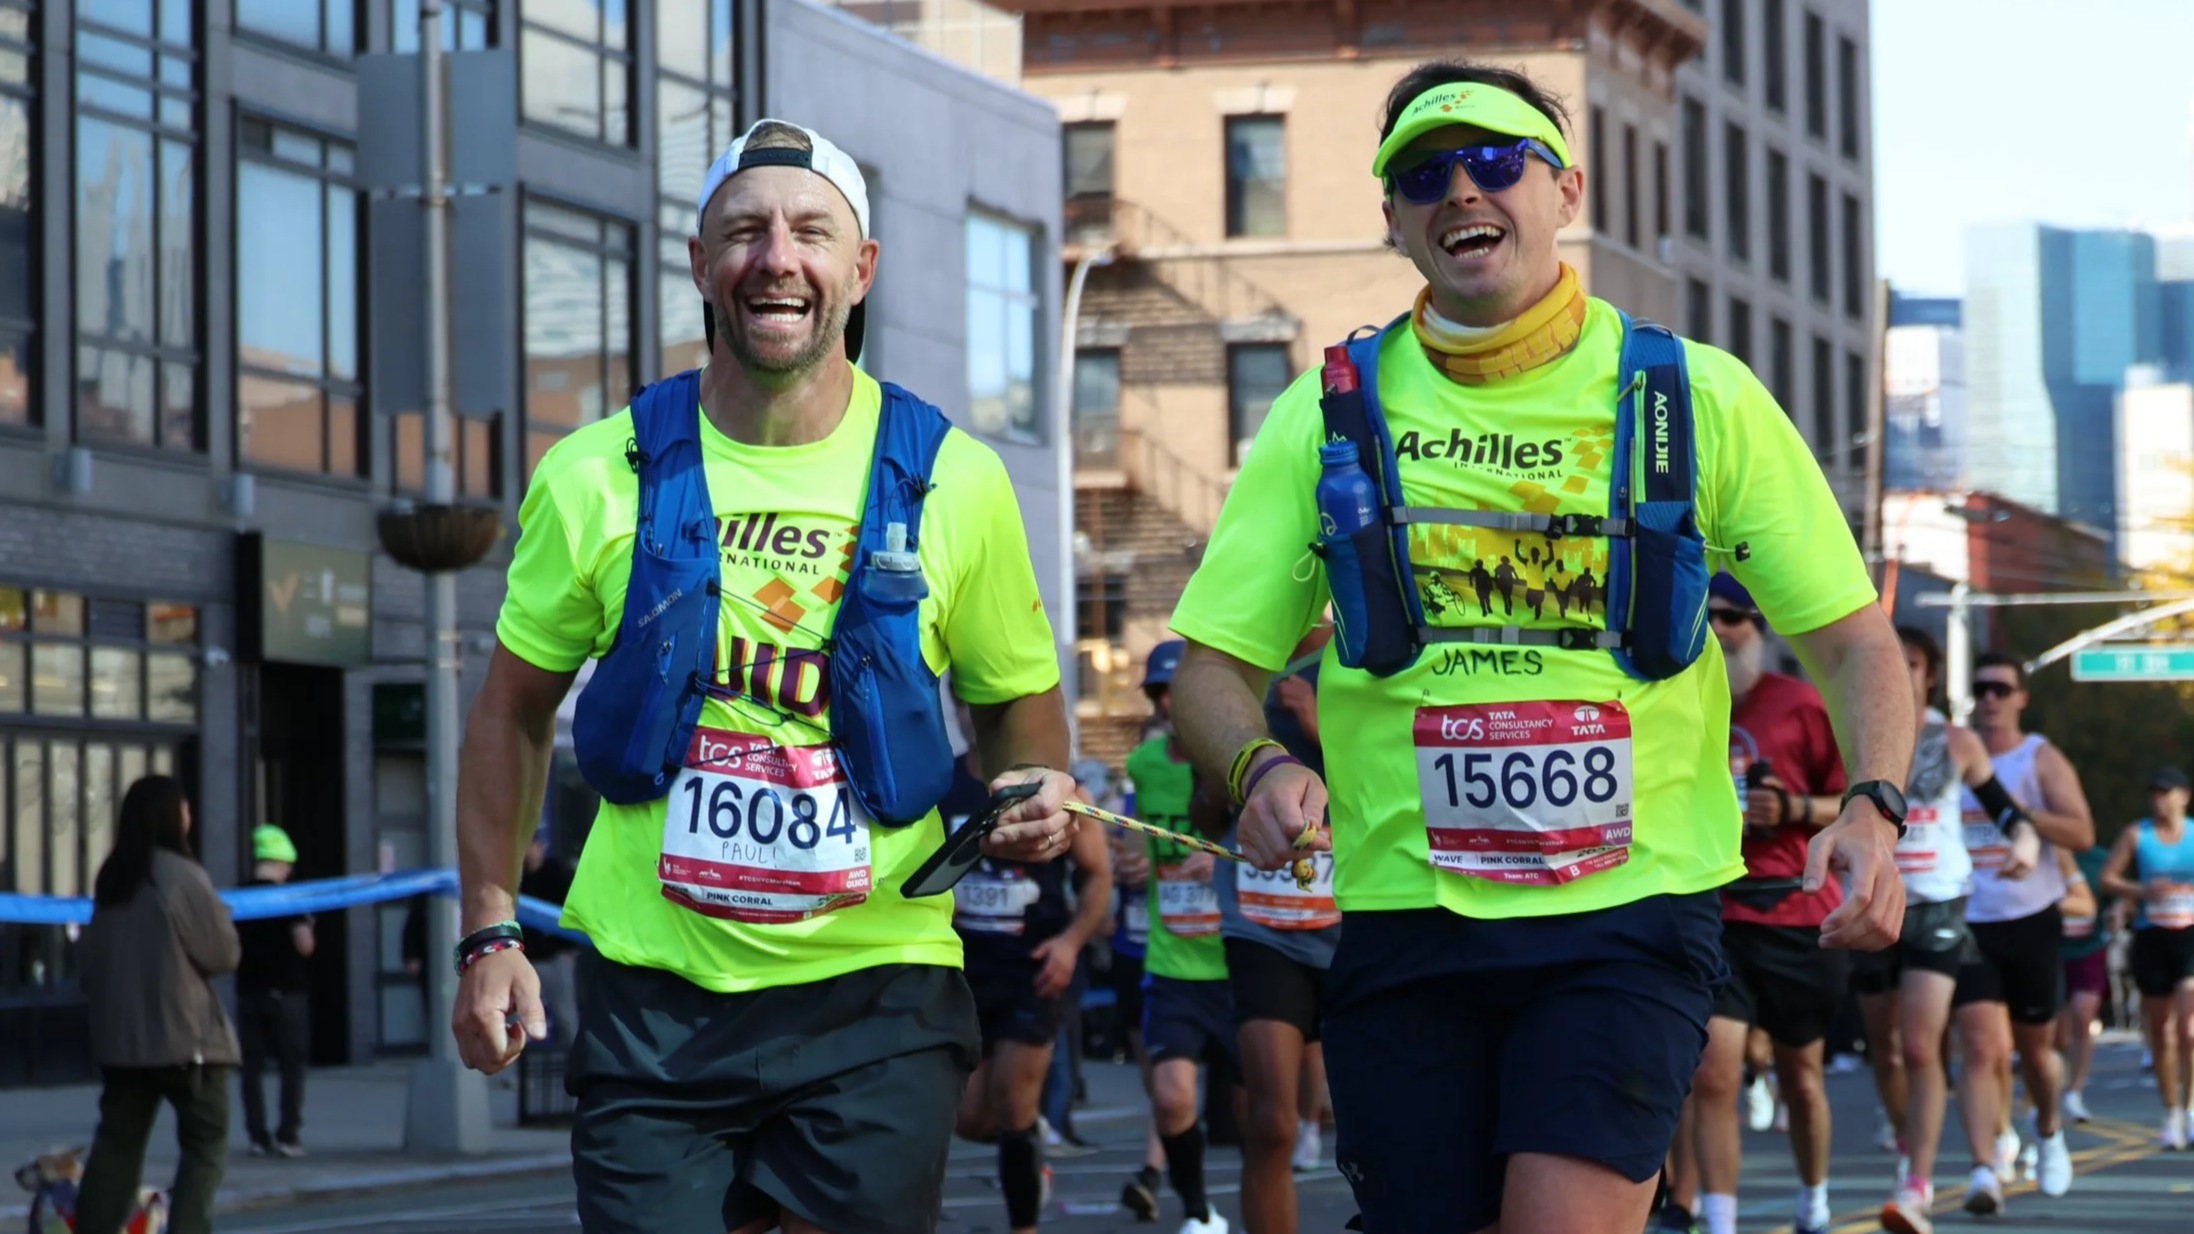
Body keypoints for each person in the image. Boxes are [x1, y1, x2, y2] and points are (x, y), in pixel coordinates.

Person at [1162, 59, 1913, 1234]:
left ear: (1564, 188)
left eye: (1495, 160)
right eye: (1425, 173)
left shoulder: (1691, 396)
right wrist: (1258, 766)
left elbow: (1853, 639)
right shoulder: (1324, 416)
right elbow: (1211, 667)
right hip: (1405, 912)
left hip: (1629, 911)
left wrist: (1873, 804)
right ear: (1395, 221)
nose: (1462, 188)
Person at [448, 118, 1079, 1234]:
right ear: (700, 265)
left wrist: (1037, 790)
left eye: (810, 233)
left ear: (861, 269)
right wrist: (491, 933)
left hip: (877, 991)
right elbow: (511, 711)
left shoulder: (955, 482)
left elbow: (1018, 701)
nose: (775, 258)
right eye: (742, 232)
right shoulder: (597, 473)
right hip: (655, 1001)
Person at [1858, 627, 2042, 1234]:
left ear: (1929, 674)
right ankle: (1915, 1144)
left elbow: (2007, 811)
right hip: (1871, 904)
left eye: (1911, 664)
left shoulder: (1956, 741)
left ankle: (1917, 1185)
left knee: (1920, 1045)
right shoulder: (1858, 737)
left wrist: (2025, 841)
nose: (1901, 673)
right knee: (1886, 1053)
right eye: (1890, 662)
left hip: (1938, 906)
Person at [1687, 575, 1848, 1234]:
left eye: (1733, 618)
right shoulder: (1683, 703)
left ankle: (1813, 1199)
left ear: (1758, 629)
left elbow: (1853, 802)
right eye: (1708, 617)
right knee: (1713, 1077)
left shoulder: (1800, 704)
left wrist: (1793, 808)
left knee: (1801, 1078)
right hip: (1718, 913)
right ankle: (1719, 1220)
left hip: (1797, 912)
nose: (1720, 629)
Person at [947, 707, 1114, 1234]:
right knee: (973, 1119)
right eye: (967, 699)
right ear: (956, 705)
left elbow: (1098, 877)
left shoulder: (1055, 789)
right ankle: (1031, 1151)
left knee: (1015, 1105)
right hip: (963, 972)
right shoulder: (941, 784)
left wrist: (1070, 944)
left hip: (1034, 970)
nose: (980, 711)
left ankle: (1025, 1225)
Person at [1948, 651, 2094, 1202]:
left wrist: (2015, 814)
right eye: (1982, 688)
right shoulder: (1954, 753)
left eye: (2001, 689)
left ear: (2020, 699)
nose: (1990, 698)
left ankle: (2049, 1131)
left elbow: (2081, 832)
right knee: (1980, 1048)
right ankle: (1984, 1167)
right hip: (1969, 919)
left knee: (2036, 1052)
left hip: (2031, 918)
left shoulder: (2039, 758)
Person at [1215, 627, 1341, 1234]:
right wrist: (1240, 768)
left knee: (1391, 1121)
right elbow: (1201, 810)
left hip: (1354, 916)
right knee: (1271, 1121)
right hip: (1262, 921)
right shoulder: (1234, 671)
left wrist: (1313, 723)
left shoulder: (1361, 646)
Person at [75, 776, 239, 1234]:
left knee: (116, 1146)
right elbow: (223, 953)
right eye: (185, 808)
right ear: (171, 816)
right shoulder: (181, 875)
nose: (190, 817)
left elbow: (87, 965)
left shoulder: (112, 881)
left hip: (122, 1045)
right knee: (205, 1145)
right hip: (188, 1041)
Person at [1126, 640, 1237, 1234]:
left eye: (1178, 690)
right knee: (1171, 1096)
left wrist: (1222, 863)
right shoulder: (1143, 765)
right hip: (1172, 962)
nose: (1170, 703)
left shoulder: (1236, 765)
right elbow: (1133, 839)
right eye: (1160, 693)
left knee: (1258, 1117)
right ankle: (1198, 1211)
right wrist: (1131, 860)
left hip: (1241, 960)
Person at [2097, 767, 2194, 1150]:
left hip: (2190, 936)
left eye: (2167, 792)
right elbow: (2107, 877)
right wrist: (2140, 889)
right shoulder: (2138, 834)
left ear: (2184, 795)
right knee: (2162, 1032)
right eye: (2154, 792)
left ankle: (2190, 1108)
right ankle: (2171, 1110)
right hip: (2152, 937)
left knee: (2189, 1029)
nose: (2159, 799)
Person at [236, 824, 315, 1158]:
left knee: (251, 1067)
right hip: (287, 991)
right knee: (291, 1066)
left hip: (249, 990)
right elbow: (305, 946)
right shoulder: (290, 899)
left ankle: (257, 1136)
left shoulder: (239, 897)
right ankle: (287, 1135)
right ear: (281, 864)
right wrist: (309, 926)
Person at [2058, 841, 2118, 1123]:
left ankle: (2075, 1091)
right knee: (2056, 1031)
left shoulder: (2100, 859)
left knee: (2083, 1016)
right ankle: (2052, 1086)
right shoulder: (2045, 854)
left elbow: (2119, 894)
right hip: (2053, 949)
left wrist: (2120, 910)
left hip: (2089, 948)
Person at [518, 818, 581, 1046]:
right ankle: (509, 1080)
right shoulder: (518, 878)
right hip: (526, 960)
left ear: (540, 846)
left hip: (555, 957)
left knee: (566, 1017)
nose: (527, 852)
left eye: (530, 845)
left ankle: (576, 1073)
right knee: (517, 1018)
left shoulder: (557, 873)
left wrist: (569, 949)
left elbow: (573, 910)